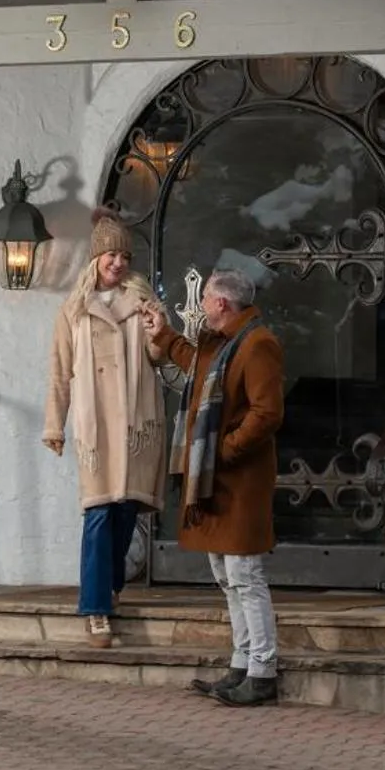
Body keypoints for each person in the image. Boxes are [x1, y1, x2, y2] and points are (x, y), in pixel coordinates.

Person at [143, 269, 286, 706]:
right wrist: (165, 335)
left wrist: (224, 450)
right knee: (226, 576)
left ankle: (263, 673)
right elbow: (199, 369)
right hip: (216, 480)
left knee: (246, 575)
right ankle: (241, 665)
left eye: (205, 296)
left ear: (221, 303)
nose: (201, 303)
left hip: (237, 479)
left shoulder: (257, 345)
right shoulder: (224, 344)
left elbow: (267, 413)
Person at [41, 210, 167, 649]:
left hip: (136, 422)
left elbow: (157, 356)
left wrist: (158, 332)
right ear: (95, 259)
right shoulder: (73, 312)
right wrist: (54, 424)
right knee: (98, 512)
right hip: (96, 427)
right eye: (111, 253)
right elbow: (59, 372)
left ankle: (111, 588)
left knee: (126, 510)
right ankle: (96, 609)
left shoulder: (144, 303)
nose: (118, 262)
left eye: (124, 255)